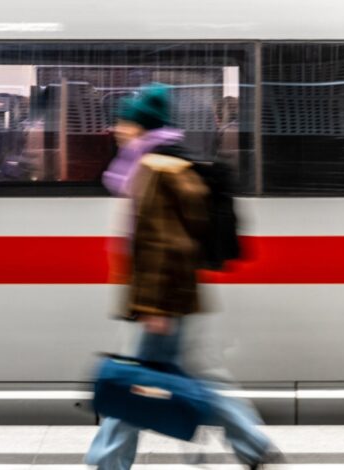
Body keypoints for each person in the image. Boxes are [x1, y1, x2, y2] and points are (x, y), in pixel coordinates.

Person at [86, 83, 274, 470]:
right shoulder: (159, 164)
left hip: (163, 302)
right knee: (168, 379)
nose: (117, 129)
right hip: (170, 299)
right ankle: (252, 443)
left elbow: (165, 243)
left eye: (123, 122)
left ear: (140, 127)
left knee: (133, 384)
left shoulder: (157, 169)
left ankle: (106, 462)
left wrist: (155, 309)